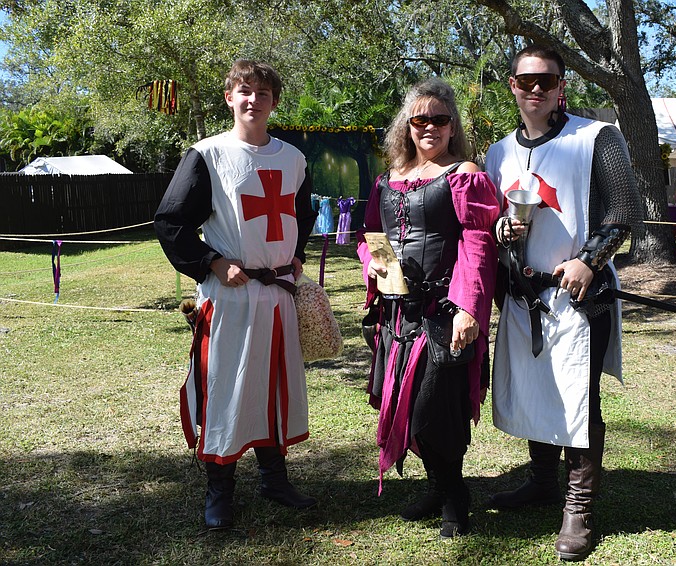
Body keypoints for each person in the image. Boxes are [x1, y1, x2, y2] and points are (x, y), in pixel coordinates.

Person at [484, 45, 641, 561]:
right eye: (525, 81)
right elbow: (490, 220)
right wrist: (503, 229)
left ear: (560, 87)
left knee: (578, 400)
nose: (535, 89)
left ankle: (579, 507)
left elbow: (622, 212)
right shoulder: (498, 152)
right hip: (526, 294)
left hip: (579, 296)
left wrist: (590, 260)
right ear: (512, 85)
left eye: (545, 81)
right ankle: (542, 483)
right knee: (535, 391)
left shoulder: (595, 138)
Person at [154, 60, 319, 529]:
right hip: (229, 293)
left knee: (271, 386)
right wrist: (212, 261)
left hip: (277, 293)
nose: (253, 100)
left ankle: (274, 477)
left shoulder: (292, 159)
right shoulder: (207, 155)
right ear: (229, 97)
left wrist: (297, 254)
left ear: (274, 102)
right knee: (226, 388)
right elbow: (171, 222)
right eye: (244, 91)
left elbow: (299, 215)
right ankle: (219, 490)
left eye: (263, 93)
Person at [356, 78, 500, 538]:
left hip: (443, 314)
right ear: (408, 126)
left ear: (453, 127)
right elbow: (372, 237)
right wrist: (374, 269)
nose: (429, 127)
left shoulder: (465, 175)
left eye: (439, 119)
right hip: (396, 315)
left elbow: (478, 247)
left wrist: (469, 309)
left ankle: (456, 495)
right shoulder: (389, 178)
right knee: (400, 402)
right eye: (420, 120)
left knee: (435, 408)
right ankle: (438, 486)